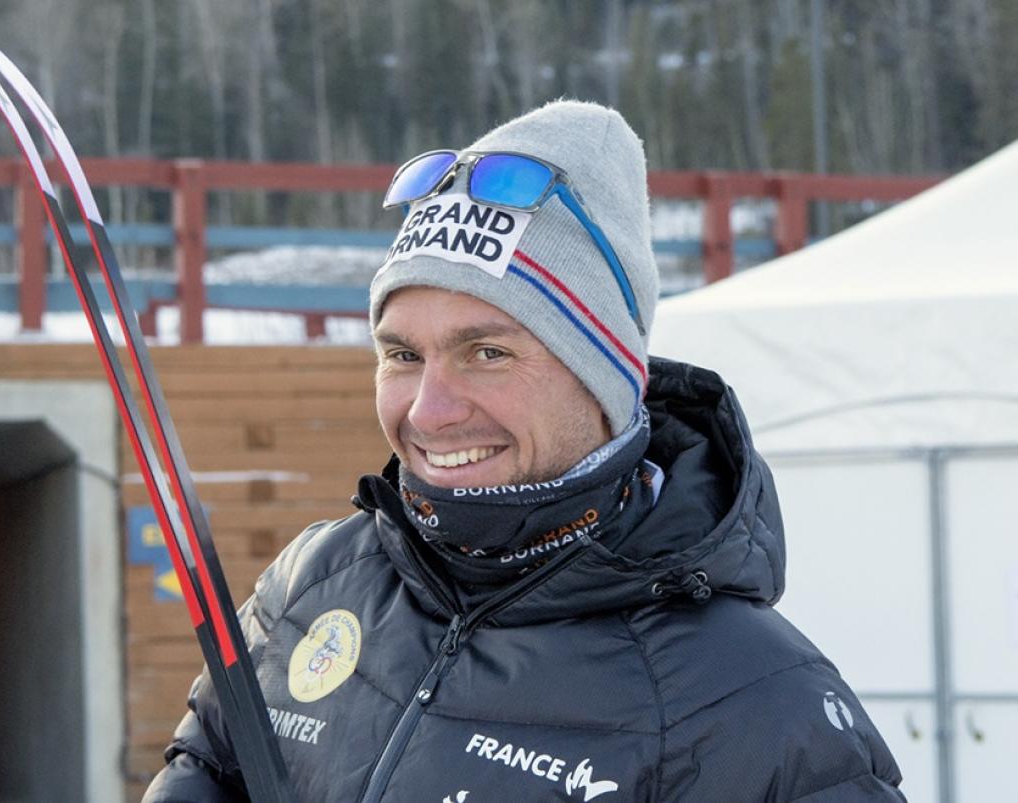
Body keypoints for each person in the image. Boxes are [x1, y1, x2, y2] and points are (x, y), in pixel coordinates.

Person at [144, 100, 905, 801]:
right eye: (402, 354)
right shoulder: (313, 584)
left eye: (487, 353)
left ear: (602, 378)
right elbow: (207, 767)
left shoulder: (757, 706)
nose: (430, 410)